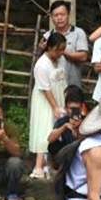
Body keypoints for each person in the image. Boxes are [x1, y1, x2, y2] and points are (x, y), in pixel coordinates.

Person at [30, 30, 67, 179]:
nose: (61, 52)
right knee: (44, 128)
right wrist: (54, 107)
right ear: (50, 47)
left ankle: (49, 165)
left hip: (59, 94)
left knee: (56, 129)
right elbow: (45, 88)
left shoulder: (61, 60)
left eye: (63, 49)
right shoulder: (41, 65)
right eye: (59, 49)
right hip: (45, 100)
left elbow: (63, 79)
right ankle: (38, 167)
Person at [40, 0, 90, 87]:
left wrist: (61, 51)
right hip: (52, 86)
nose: (59, 18)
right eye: (56, 15)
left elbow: (83, 57)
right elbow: (41, 61)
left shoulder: (78, 33)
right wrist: (40, 50)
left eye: (62, 14)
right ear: (51, 18)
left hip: (73, 85)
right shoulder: (47, 36)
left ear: (68, 15)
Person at [47, 84, 89, 164]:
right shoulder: (63, 121)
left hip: (83, 156)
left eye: (76, 109)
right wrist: (65, 127)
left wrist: (79, 128)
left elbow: (88, 143)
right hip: (65, 158)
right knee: (53, 145)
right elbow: (50, 139)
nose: (73, 111)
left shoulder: (88, 121)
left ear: (82, 106)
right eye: (71, 108)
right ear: (66, 107)